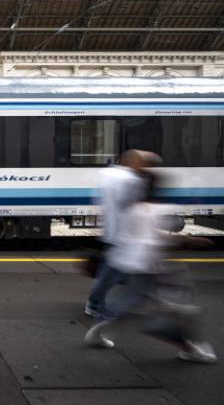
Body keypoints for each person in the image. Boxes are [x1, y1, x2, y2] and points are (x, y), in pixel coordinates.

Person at [84, 170, 217, 364]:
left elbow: (140, 236)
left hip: (130, 264)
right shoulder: (156, 210)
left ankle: (99, 329)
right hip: (149, 267)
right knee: (158, 316)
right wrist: (190, 241)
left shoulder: (132, 210)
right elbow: (156, 239)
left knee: (132, 303)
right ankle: (189, 347)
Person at [84, 149, 148, 318]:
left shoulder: (107, 174)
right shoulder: (131, 180)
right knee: (112, 273)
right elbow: (135, 207)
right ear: (135, 163)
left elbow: (98, 200)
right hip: (126, 234)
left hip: (111, 231)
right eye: (142, 163)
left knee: (120, 272)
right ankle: (95, 303)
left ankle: (107, 302)